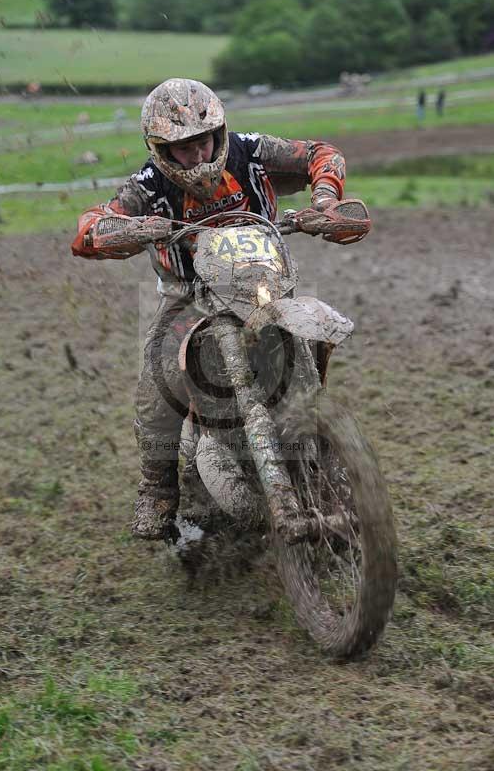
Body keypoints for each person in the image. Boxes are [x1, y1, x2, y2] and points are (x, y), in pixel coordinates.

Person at [71, 77, 364, 540]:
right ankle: (158, 490)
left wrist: (324, 200)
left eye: (203, 141)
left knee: (309, 333)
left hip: (263, 284)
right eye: (183, 148)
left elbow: (320, 154)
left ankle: (325, 442)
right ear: (160, 149)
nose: (198, 155)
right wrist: (125, 230)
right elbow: (89, 226)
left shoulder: (252, 151)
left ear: (219, 132)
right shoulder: (146, 185)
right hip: (189, 297)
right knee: (157, 373)